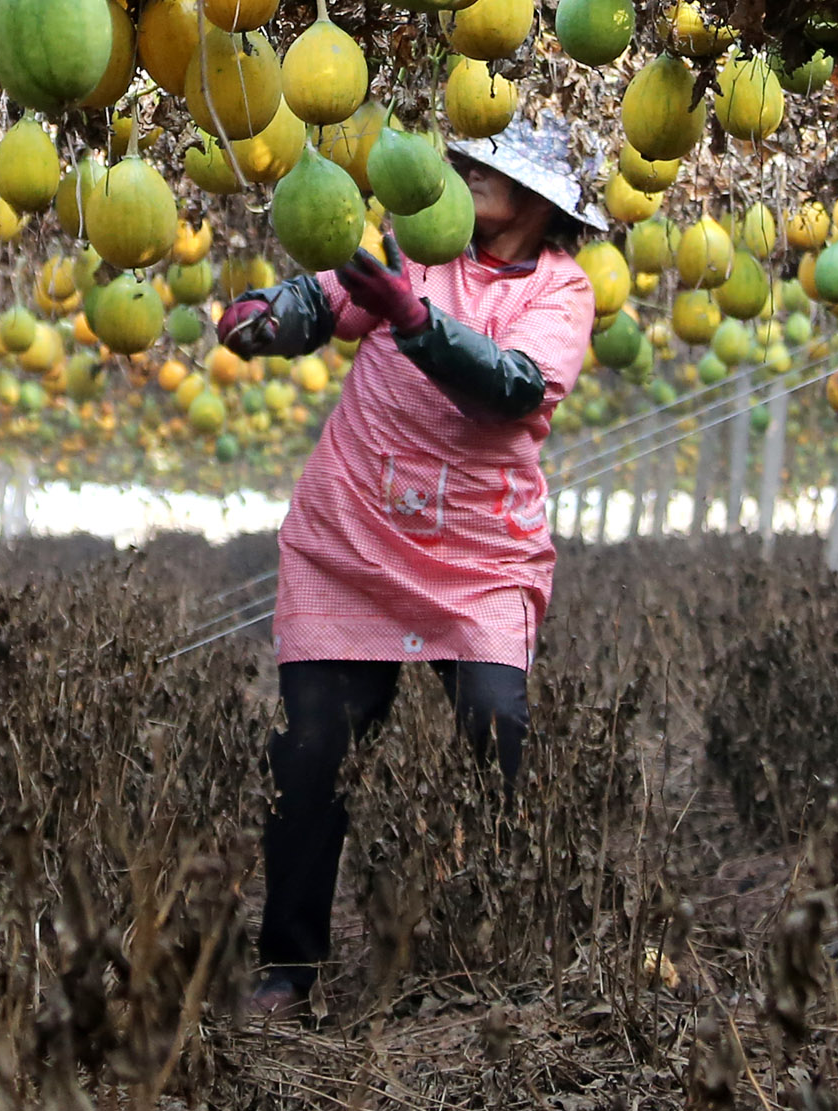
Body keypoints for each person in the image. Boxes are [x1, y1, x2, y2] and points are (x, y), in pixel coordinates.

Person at [215, 113, 598, 1017]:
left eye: (487, 166)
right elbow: (329, 293)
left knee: (493, 730)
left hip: (478, 549)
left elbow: (511, 387)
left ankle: (483, 945)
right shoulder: (417, 241)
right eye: (464, 158)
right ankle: (288, 970)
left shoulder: (562, 289)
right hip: (351, 536)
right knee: (311, 755)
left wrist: (417, 321)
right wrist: (273, 315)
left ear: (544, 202)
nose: (464, 172)